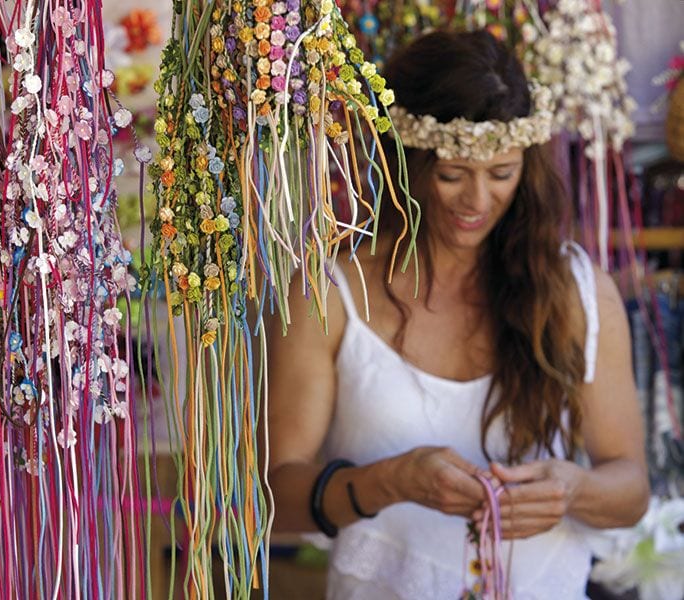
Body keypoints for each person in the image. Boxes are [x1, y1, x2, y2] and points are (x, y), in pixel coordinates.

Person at [267, 30, 649, 599]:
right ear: (406, 161)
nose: (477, 201)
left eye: (502, 174)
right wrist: (387, 482)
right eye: (452, 175)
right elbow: (275, 499)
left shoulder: (575, 291)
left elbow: (631, 490)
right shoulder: (329, 294)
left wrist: (573, 492)